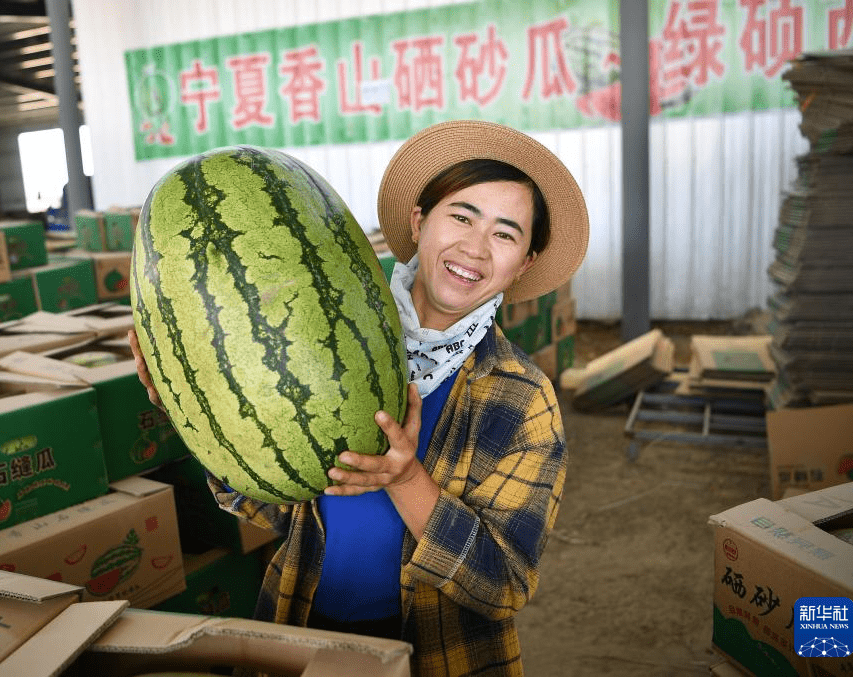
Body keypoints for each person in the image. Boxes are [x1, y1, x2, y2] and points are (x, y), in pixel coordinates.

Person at [129, 119, 589, 676]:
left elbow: (504, 585)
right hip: (300, 637)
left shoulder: (524, 399)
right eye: (461, 217)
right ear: (420, 221)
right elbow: (271, 507)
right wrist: (199, 408)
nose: (474, 247)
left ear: (526, 263)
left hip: (441, 657)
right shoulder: (312, 330)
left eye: (505, 233)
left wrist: (406, 479)